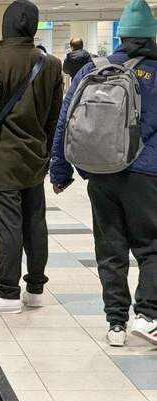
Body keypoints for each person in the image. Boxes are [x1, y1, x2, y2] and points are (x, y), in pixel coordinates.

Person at [50, 0, 157, 347]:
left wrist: (60, 170)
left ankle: (116, 323)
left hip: (102, 172)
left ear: (121, 36)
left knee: (110, 247)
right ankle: (148, 316)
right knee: (151, 246)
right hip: (147, 176)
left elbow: (66, 120)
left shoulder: (92, 70)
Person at [0, 0, 63, 313]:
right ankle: (35, 289)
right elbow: (55, 117)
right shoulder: (51, 64)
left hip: (3, 158)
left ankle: (8, 292)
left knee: (10, 225)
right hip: (35, 157)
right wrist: (44, 149)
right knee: (35, 222)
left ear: (6, 26)